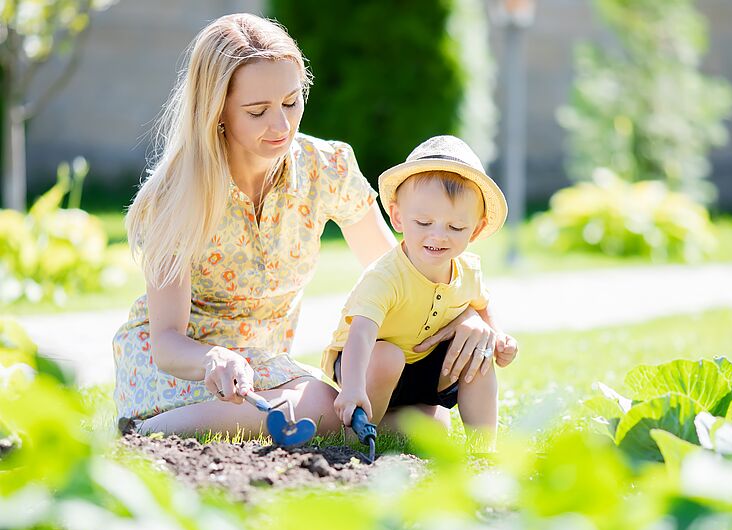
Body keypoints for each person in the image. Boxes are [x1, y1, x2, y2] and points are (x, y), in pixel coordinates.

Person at [113, 14, 497, 437]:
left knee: (426, 422)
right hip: (180, 373)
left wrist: (466, 318)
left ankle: (345, 425)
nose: (281, 126)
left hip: (267, 373)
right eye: (257, 111)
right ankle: (144, 431)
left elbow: (402, 271)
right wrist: (213, 359)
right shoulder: (178, 193)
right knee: (322, 403)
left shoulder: (325, 167)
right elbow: (167, 342)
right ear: (216, 110)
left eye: (291, 102)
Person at [322, 136, 519, 449]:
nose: (438, 236)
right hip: (366, 364)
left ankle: (484, 448)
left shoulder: (469, 270)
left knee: (478, 354)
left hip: (422, 365)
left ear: (476, 230)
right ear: (398, 217)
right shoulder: (386, 276)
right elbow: (361, 332)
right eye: (424, 222)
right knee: (388, 355)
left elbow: (483, 304)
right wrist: (353, 386)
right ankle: (355, 436)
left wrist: (498, 336)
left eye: (456, 228)